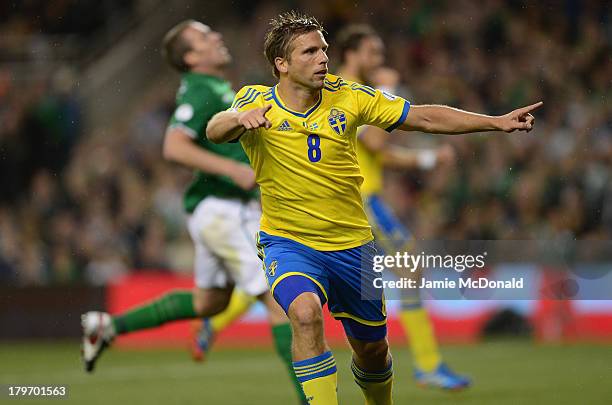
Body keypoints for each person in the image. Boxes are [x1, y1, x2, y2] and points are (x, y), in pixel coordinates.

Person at [207, 11, 541, 405]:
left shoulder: (350, 95)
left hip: (353, 246)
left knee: (372, 351)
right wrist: (238, 119)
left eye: (324, 50)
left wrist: (495, 122)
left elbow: (422, 117)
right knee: (304, 313)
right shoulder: (255, 100)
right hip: (289, 242)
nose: (323, 59)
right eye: (310, 52)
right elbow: (215, 129)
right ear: (281, 64)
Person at [80, 20, 306, 404]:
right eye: (205, 37)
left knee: (210, 303)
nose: (217, 36)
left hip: (219, 210)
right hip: (224, 209)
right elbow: (174, 146)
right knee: (279, 299)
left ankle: (107, 326)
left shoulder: (215, 88)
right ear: (190, 57)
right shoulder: (201, 91)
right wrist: (232, 169)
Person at [336, 23, 470, 390]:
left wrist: (426, 160)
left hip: (363, 197)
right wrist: (388, 88)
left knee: (390, 278)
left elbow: (376, 153)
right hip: (360, 200)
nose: (380, 61)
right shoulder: (348, 92)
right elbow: (377, 143)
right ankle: (425, 364)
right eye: (373, 53)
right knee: (406, 270)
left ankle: (415, 362)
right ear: (353, 54)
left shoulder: (349, 91)